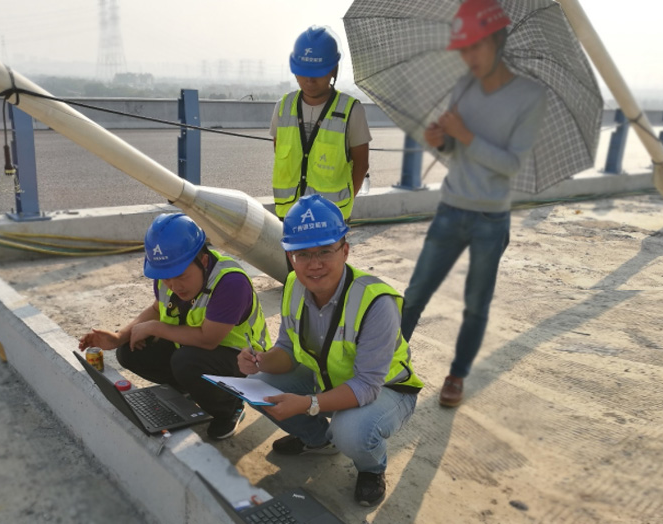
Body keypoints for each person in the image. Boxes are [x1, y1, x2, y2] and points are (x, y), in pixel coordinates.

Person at [400, 0, 547, 408]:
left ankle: (456, 376)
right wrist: (442, 140)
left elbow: (511, 164)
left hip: (490, 218)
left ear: (499, 40)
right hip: (450, 208)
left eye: (476, 46)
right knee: (415, 293)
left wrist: (464, 135)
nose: (469, 57)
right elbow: (455, 150)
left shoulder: (530, 96)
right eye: (463, 49)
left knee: (476, 305)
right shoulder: (463, 85)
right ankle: (385, 361)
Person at [237, 195, 422, 507]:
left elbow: (367, 385)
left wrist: (308, 404)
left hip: (387, 389)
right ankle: (318, 442)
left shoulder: (376, 302)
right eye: (303, 254)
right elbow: (287, 351)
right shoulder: (294, 286)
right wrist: (260, 361)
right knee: (258, 385)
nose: (315, 264)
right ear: (290, 256)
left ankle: (371, 467)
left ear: (345, 250)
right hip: (329, 379)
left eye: (325, 251)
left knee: (349, 431)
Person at [78, 213, 271, 440]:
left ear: (204, 262)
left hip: (243, 360)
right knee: (130, 351)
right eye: (166, 277)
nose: (173, 285)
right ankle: (188, 390)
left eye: (180, 276)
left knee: (186, 361)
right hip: (196, 350)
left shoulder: (230, 282)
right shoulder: (166, 274)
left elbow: (208, 339)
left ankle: (230, 407)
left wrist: (154, 328)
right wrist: (119, 336)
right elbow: (157, 308)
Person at [270, 26, 371, 223]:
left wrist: (345, 204)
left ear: (333, 69)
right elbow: (278, 148)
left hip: (330, 219)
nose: (309, 80)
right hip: (290, 215)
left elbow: (361, 164)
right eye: (303, 72)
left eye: (317, 73)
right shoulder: (283, 107)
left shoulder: (351, 111)